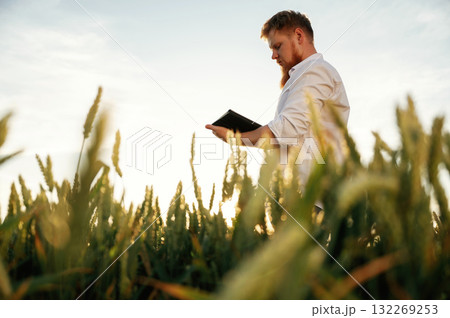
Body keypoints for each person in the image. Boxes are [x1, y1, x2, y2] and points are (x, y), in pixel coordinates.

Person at [206, 10, 350, 197]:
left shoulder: (315, 71)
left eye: (278, 46)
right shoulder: (303, 76)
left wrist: (235, 138)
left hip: (313, 195)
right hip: (299, 193)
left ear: (299, 36)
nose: (273, 56)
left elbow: (286, 129)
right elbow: (291, 137)